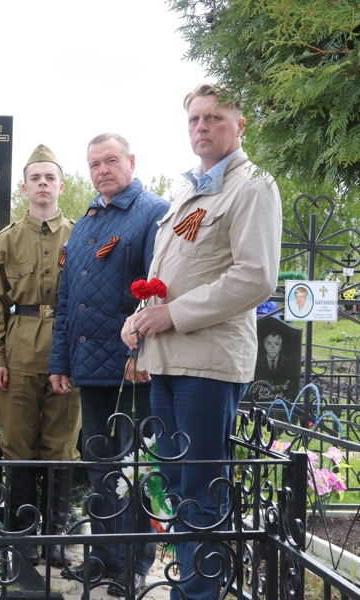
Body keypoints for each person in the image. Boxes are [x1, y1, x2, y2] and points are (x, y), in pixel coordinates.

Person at [121, 83, 282, 600]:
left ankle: (198, 594)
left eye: (214, 118)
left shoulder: (253, 185)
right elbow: (177, 275)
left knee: (201, 493)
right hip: (170, 359)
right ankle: (189, 589)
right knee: (175, 489)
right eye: (194, 119)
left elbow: (255, 277)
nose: (201, 127)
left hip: (208, 364)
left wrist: (171, 316)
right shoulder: (192, 189)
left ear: (240, 126)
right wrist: (141, 320)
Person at [49, 133, 169, 596]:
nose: (102, 170)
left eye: (111, 160)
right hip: (90, 367)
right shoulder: (87, 222)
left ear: (131, 162)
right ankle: (102, 558)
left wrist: (142, 352)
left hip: (130, 368)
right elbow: (68, 299)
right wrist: (62, 360)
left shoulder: (152, 213)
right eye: (94, 163)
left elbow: (158, 290)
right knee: (99, 464)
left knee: (134, 467)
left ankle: (134, 563)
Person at [0, 144, 81, 567]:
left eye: (49, 177)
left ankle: (54, 543)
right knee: (17, 445)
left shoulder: (82, 235)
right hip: (18, 351)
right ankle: (20, 541)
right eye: (35, 177)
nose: (42, 184)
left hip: (68, 350)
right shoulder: (6, 241)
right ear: (23, 187)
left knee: (62, 446)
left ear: (61, 185)